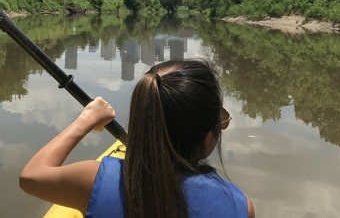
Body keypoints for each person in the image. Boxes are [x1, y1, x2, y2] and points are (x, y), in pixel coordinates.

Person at [19, 59, 255, 218]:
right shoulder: (241, 206)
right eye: (221, 119)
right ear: (207, 139)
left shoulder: (93, 182)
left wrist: (87, 119)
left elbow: (31, 177)